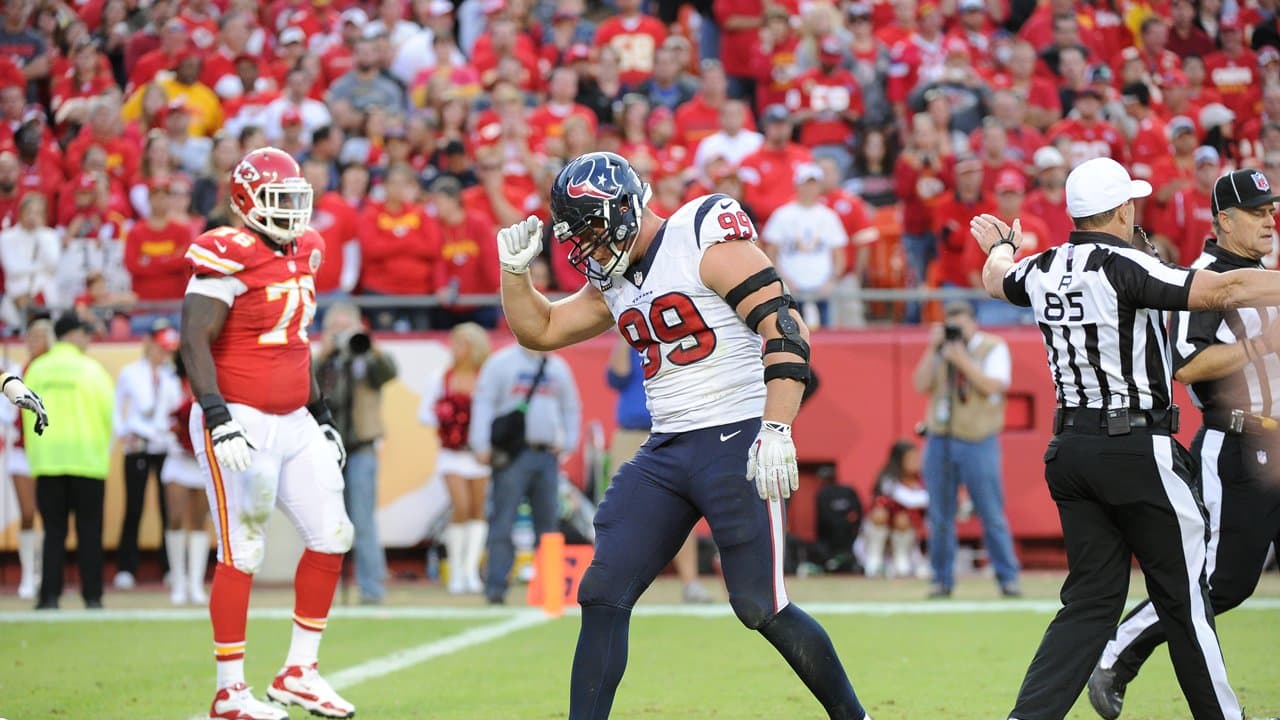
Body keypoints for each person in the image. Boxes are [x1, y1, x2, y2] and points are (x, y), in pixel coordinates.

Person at [495, 151, 870, 719]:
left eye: (595, 231)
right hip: (667, 447)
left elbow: (786, 326)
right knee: (602, 591)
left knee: (759, 605)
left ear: (624, 208)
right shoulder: (614, 281)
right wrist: (515, 274)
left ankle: (855, 717)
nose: (591, 250)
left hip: (736, 434)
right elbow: (540, 329)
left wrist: (776, 426)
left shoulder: (701, 232)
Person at [969, 156, 1280, 720]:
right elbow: (1226, 289)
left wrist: (1001, 244)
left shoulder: (1040, 268)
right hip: (1137, 447)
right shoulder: (1125, 265)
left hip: (1070, 452)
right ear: (1120, 210)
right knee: (1186, 603)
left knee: (1089, 604)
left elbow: (996, 280)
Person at [1087, 169, 1280, 720]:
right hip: (1240, 443)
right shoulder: (1205, 280)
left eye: (1272, 210)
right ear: (1224, 220)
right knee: (1224, 580)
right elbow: (1186, 365)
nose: (1270, 219)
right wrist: (1262, 342)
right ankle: (1118, 650)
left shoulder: (1263, 275)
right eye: (1258, 211)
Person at [179, 147, 354, 720]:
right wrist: (216, 415)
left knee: (332, 534)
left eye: (295, 199)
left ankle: (299, 671)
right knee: (243, 549)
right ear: (244, 203)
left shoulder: (308, 250)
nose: (291, 212)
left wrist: (323, 416)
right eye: (278, 201)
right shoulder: (225, 253)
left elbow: (295, 343)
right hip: (240, 416)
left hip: (295, 418)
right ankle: (229, 691)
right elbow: (193, 340)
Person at [911, 300, 1021, 598]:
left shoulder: (992, 347)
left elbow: (992, 386)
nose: (956, 331)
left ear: (974, 322)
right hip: (939, 438)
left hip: (978, 439)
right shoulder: (942, 349)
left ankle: (1008, 578)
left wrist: (961, 360)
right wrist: (932, 349)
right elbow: (920, 384)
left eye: (960, 324)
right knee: (939, 515)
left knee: (991, 512)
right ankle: (941, 580)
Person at [467, 337, 581, 606]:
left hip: (546, 454)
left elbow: (570, 407)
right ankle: (496, 586)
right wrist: (480, 443)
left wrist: (568, 442)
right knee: (503, 521)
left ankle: (551, 588)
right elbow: (483, 402)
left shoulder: (557, 367)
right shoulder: (501, 363)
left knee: (548, 525)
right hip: (513, 455)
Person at [605, 332, 711, 603]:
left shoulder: (677, 342)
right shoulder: (634, 342)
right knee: (621, 510)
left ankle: (690, 583)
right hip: (631, 434)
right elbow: (615, 377)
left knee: (680, 509)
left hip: (670, 429)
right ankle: (617, 583)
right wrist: (622, 337)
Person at [24, 313, 111, 610]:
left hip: (48, 460)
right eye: (84, 333)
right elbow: (108, 414)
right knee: (89, 532)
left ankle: (49, 597)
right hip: (87, 460)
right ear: (71, 335)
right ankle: (93, 597)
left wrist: (37, 452)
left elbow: (25, 413)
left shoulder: (37, 369)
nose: (87, 339)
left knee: (53, 532)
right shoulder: (92, 370)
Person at [314, 302, 398, 605]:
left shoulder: (366, 358)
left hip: (361, 446)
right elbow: (307, 387)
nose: (342, 334)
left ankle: (371, 588)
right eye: (335, 328)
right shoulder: (324, 361)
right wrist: (325, 352)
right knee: (324, 523)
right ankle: (322, 589)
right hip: (327, 447)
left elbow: (389, 372)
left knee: (363, 521)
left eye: (346, 327)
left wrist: (366, 343)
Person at [419, 322, 492, 595]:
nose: (456, 349)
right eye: (454, 343)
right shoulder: (442, 376)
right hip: (451, 454)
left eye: (462, 344)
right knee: (460, 506)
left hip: (479, 454)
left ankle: (472, 571)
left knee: (478, 509)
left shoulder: (486, 376)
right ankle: (457, 571)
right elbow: (424, 412)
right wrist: (448, 417)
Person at [112, 320, 181, 591]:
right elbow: (118, 407)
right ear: (149, 343)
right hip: (138, 445)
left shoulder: (171, 376)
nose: (163, 354)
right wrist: (123, 433)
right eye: (160, 347)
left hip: (164, 446)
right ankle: (126, 567)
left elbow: (175, 409)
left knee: (168, 508)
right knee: (134, 507)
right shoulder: (130, 373)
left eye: (167, 350)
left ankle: (170, 567)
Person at [3, 317, 53, 599]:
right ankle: (27, 573)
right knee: (27, 513)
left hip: (47, 449)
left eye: (39, 338)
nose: (33, 343)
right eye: (31, 337)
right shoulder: (15, 372)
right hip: (23, 450)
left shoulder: (54, 371)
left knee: (48, 514)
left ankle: (43, 572)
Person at [162, 352, 211, 606]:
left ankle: (196, 583)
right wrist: (176, 435)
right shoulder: (169, 383)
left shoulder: (209, 380)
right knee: (176, 519)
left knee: (199, 522)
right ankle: (178, 582)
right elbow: (163, 419)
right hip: (178, 459)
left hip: (202, 461)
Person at [862, 439, 927, 579]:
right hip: (880, 536)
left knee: (903, 519)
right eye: (910, 458)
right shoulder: (888, 479)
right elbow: (909, 500)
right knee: (880, 514)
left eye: (917, 458)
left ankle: (902, 560)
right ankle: (874, 560)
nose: (916, 462)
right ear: (899, 460)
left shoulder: (922, 480)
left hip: (908, 538)